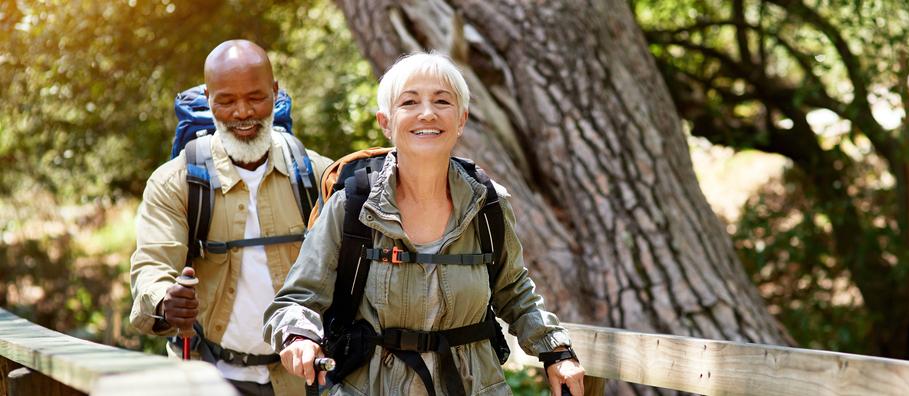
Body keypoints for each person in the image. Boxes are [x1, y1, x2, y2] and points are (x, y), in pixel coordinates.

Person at [263, 52, 586, 396]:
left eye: (442, 101)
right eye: (410, 102)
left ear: (461, 120)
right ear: (385, 122)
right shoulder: (352, 205)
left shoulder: (489, 205)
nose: (428, 113)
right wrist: (300, 336)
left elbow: (515, 292)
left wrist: (557, 351)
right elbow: (298, 299)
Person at [128, 39, 333, 396]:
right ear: (209, 98)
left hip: (302, 383)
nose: (242, 112)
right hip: (210, 379)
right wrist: (165, 301)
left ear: (275, 92)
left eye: (255, 97)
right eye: (226, 101)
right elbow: (151, 267)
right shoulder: (175, 182)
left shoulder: (317, 174)